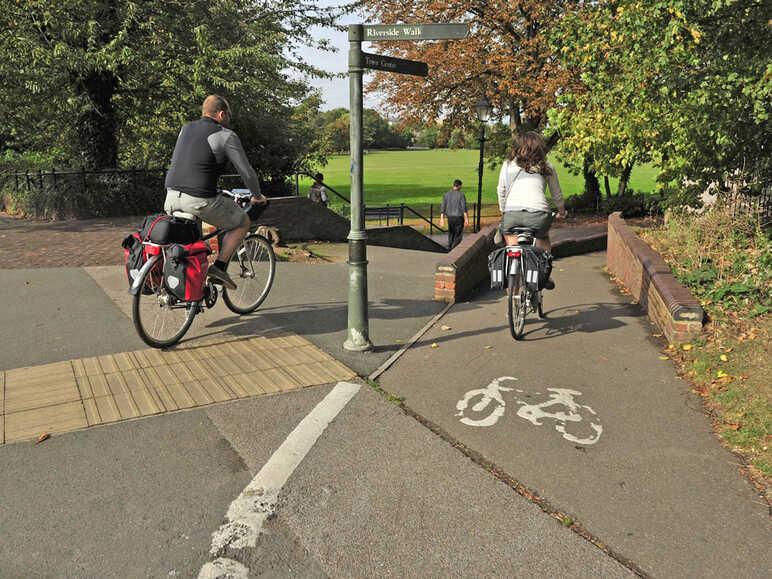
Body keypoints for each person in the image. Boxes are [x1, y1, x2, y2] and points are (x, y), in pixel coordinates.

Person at [164, 94, 267, 290]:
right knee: (241, 221)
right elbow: (246, 172)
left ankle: (192, 291)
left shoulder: (184, 129)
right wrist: (257, 195)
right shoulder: (226, 135)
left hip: (170, 197)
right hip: (198, 200)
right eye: (228, 114)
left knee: (193, 244)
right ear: (221, 114)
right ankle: (219, 268)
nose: (229, 118)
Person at [497, 131, 567, 288]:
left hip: (511, 214)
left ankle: (512, 299)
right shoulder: (546, 167)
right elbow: (557, 195)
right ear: (540, 148)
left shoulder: (507, 165)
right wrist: (562, 212)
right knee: (543, 239)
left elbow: (501, 190)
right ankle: (544, 275)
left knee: (512, 250)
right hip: (538, 215)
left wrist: (504, 211)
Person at [439, 179, 470, 250]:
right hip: (459, 217)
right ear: (459, 186)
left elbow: (443, 207)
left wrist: (442, 219)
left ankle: (450, 247)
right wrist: (466, 219)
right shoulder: (461, 195)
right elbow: (464, 208)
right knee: (458, 235)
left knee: (451, 233)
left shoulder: (446, 195)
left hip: (450, 217)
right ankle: (453, 248)